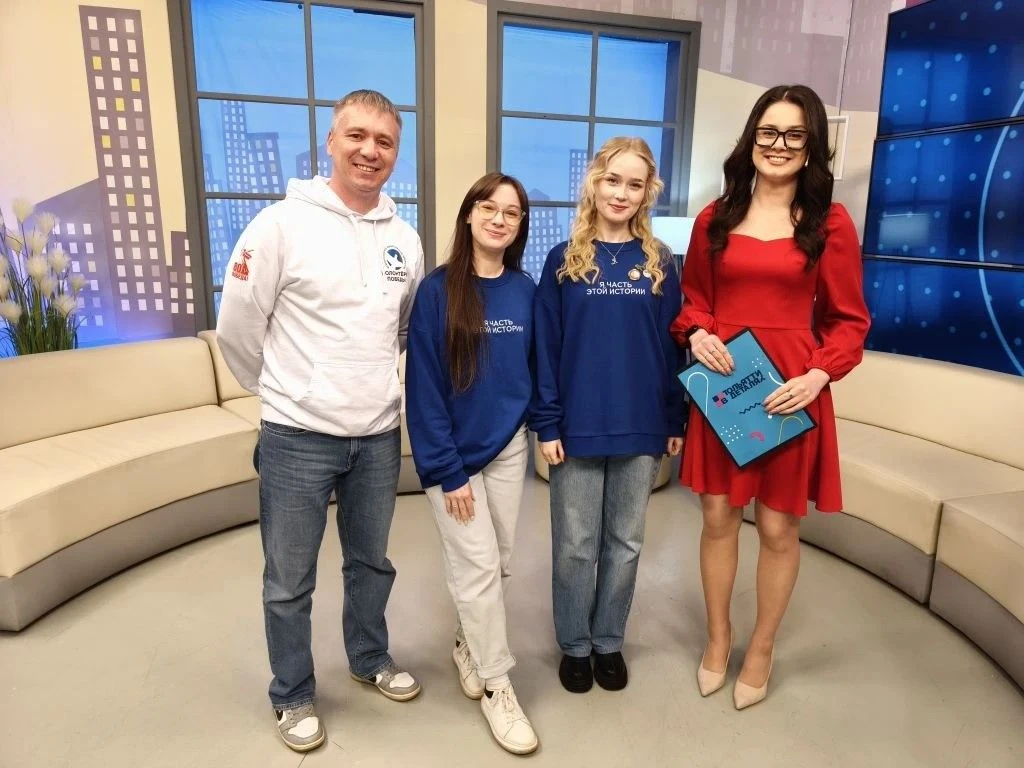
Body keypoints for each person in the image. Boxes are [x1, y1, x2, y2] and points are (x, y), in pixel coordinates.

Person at [216, 89, 425, 752]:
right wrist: (282, 393)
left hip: (377, 435)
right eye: (356, 136)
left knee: (371, 564)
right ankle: (292, 693)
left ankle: (368, 658)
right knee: (288, 580)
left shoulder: (404, 240)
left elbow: (401, 330)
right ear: (331, 142)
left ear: (396, 153)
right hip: (296, 438)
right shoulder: (279, 225)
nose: (369, 151)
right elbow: (238, 326)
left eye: (384, 141)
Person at [671, 84, 870, 710]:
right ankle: (718, 637)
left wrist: (819, 376)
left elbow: (848, 320)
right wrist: (698, 332)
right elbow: (694, 299)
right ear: (751, 138)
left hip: (792, 388)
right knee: (717, 517)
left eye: (793, 134)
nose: (778, 144)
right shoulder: (715, 217)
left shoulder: (830, 224)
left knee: (780, 526)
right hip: (728, 384)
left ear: (811, 146)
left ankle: (761, 647)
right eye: (768, 131)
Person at [533, 137, 685, 694]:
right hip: (576, 426)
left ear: (647, 194)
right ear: (594, 184)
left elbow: (673, 347)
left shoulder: (660, 261)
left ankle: (608, 641)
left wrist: (674, 420)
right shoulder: (563, 260)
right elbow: (545, 348)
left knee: (625, 544)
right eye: (612, 180)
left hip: (641, 424)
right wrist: (547, 422)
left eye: (634, 184)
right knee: (575, 546)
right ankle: (575, 644)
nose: (621, 193)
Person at [406, 172, 539, 755]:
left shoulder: (524, 289)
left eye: (511, 213)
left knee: (498, 560)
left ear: (520, 226)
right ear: (468, 214)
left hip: (508, 446)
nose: (499, 219)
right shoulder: (437, 291)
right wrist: (447, 470)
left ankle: (467, 642)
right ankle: (497, 684)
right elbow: (424, 388)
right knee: (479, 564)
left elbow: (533, 369)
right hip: (453, 458)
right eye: (489, 207)